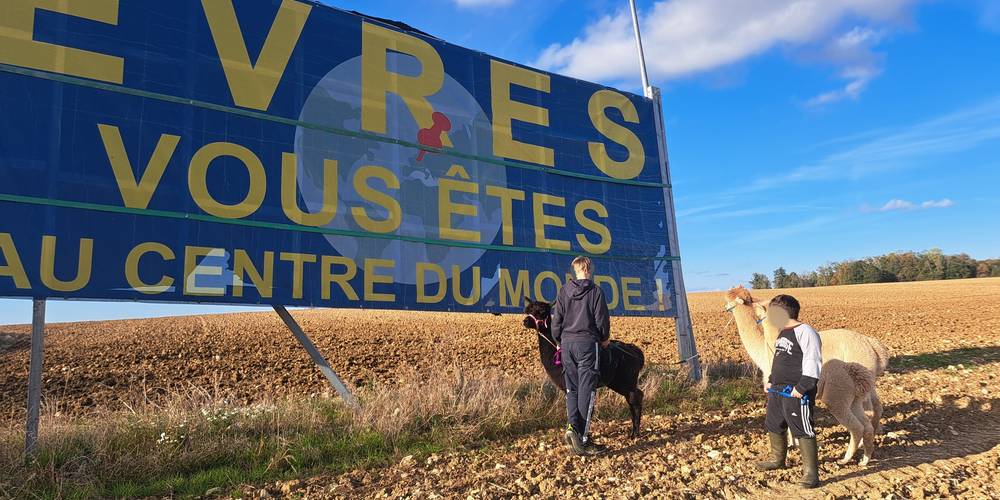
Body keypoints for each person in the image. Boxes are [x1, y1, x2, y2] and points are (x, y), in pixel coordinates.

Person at [757, 294, 823, 488]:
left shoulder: (806, 332)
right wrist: (771, 381)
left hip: (796, 391)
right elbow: (779, 360)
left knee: (802, 428)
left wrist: (803, 387)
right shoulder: (782, 332)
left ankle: (811, 474)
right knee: (774, 424)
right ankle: (777, 459)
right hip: (777, 390)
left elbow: (813, 361)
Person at [550, 256, 610, 455]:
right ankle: (583, 440)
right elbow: (601, 320)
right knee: (587, 390)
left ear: (575, 270)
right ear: (588, 268)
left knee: (572, 389)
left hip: (567, 345)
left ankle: (572, 427)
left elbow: (556, 321)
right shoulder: (595, 292)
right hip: (587, 344)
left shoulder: (563, 291)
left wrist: (559, 340)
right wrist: (604, 338)